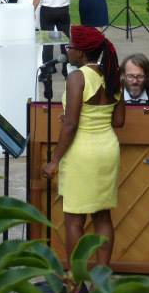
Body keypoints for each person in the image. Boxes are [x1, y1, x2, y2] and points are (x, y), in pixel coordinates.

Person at [41, 25, 124, 268]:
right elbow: (118, 121)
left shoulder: (77, 77)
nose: (68, 51)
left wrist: (54, 161)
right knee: (102, 216)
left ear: (81, 51)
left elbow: (71, 126)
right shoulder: (112, 75)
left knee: (74, 220)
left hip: (82, 153)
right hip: (107, 148)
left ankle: (76, 281)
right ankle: (101, 279)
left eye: (70, 46)